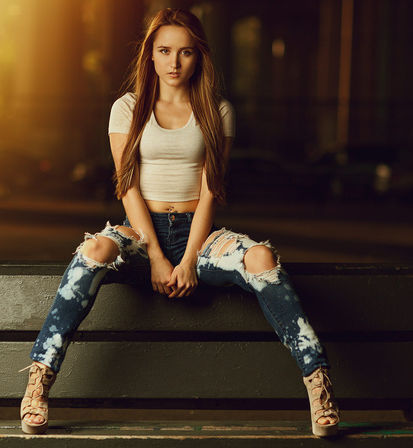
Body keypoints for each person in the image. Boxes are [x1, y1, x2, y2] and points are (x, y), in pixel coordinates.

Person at [19, 8, 339, 437]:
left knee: (262, 256)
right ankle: (38, 382)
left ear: (199, 57)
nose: (174, 62)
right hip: (142, 231)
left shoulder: (217, 110)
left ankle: (318, 386)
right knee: (94, 249)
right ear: (149, 55)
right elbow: (127, 185)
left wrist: (188, 260)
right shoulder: (127, 109)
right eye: (165, 51)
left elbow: (211, 191)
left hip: (199, 236)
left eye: (185, 52)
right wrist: (154, 255)